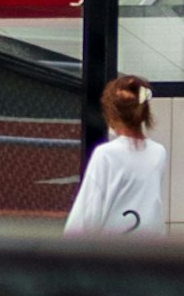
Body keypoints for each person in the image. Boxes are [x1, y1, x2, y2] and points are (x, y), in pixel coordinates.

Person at [66, 72, 166, 233]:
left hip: (112, 249)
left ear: (110, 115)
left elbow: (88, 212)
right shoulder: (158, 153)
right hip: (149, 247)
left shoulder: (106, 154)